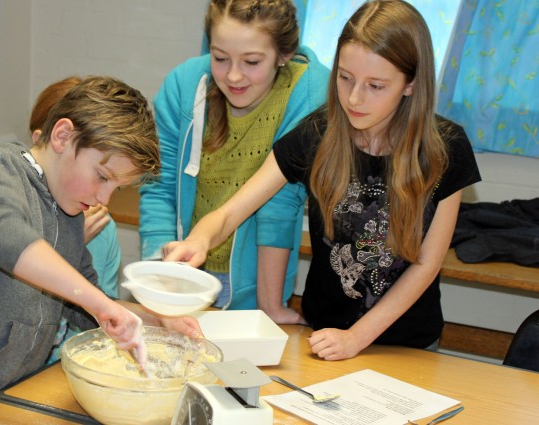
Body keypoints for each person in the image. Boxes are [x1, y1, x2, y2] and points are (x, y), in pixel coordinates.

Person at [163, 0, 481, 361]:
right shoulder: (319, 133)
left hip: (408, 345)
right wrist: (199, 239)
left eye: (375, 85)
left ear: (410, 84)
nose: (354, 98)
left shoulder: (446, 148)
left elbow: (426, 264)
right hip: (323, 335)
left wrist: (356, 338)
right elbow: (232, 211)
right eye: (344, 78)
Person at [0, 76, 202, 422]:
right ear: (62, 136)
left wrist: (156, 320)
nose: (104, 199)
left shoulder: (68, 212)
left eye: (116, 189)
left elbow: (85, 305)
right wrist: (99, 302)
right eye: (102, 177)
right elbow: (3, 234)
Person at [139, 0, 330, 324]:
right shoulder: (184, 86)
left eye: (252, 61)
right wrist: (162, 267)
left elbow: (280, 205)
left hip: (258, 281)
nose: (234, 75)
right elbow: (160, 186)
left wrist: (268, 303)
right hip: (183, 272)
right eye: (220, 58)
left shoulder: (310, 94)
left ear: (283, 55)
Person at [28, 76, 122, 363]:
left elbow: (100, 322)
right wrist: (71, 243)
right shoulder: (15, 211)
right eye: (99, 176)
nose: (102, 199)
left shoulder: (103, 228)